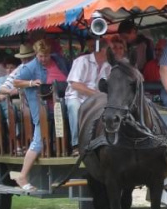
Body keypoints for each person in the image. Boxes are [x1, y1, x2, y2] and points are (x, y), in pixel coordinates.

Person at [13, 39, 68, 190]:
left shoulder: (58, 61)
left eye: (46, 56)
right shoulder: (31, 67)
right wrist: (30, 83)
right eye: (40, 56)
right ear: (36, 54)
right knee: (39, 140)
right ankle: (22, 176)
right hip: (42, 109)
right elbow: (16, 82)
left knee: (63, 132)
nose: (43, 59)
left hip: (60, 107)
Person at [64, 38, 111, 157]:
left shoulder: (107, 65)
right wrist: (96, 94)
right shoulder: (82, 61)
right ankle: (76, 145)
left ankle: (104, 142)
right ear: (102, 50)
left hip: (96, 99)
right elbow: (75, 84)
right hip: (77, 96)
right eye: (109, 50)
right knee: (75, 107)